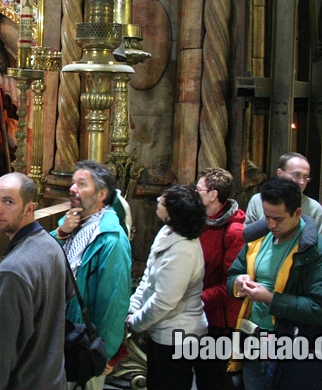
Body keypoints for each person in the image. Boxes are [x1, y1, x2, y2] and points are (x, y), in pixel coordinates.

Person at [228, 176, 322, 390]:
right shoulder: (258, 238)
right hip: (254, 340)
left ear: (298, 213)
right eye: (267, 217)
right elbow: (233, 274)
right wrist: (238, 282)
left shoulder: (321, 253)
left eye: (279, 219)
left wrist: (271, 299)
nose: (271, 224)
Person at [0, 172, 73, 390]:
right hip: (53, 378)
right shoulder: (51, 244)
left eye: (8, 202)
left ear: (29, 208)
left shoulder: (12, 271)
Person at [52, 160, 132, 389]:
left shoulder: (110, 239)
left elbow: (113, 302)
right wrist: (61, 232)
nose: (72, 188)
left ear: (101, 194)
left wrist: (103, 353)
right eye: (72, 183)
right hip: (65, 332)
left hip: (86, 343)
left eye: (81, 184)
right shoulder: (73, 224)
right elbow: (46, 256)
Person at [127, 184, 207, 390]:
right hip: (161, 330)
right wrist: (133, 305)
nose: (157, 201)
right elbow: (149, 276)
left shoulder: (182, 251)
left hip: (177, 335)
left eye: (163, 201)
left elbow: (164, 300)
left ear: (173, 214)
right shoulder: (167, 232)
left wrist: (135, 323)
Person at [194, 168, 245, 390]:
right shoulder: (200, 222)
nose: (195, 193)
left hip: (219, 321)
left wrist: (197, 300)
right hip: (199, 314)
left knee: (213, 377)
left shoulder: (234, 232)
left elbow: (231, 284)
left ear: (213, 194)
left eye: (199, 189)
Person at [244, 153, 322, 236]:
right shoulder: (258, 200)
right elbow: (247, 237)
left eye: (306, 177)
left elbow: (321, 244)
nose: (302, 182)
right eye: (296, 175)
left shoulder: (314, 208)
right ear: (280, 173)